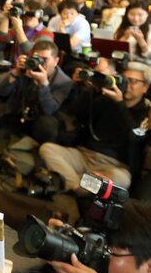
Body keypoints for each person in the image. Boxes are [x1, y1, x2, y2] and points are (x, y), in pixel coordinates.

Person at [39, 61, 151, 191]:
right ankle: (77, 187)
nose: (127, 85)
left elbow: (134, 137)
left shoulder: (146, 112)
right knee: (47, 149)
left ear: (146, 87)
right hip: (84, 155)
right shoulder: (106, 99)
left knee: (122, 180)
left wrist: (119, 104)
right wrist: (90, 89)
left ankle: (69, 182)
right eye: (124, 80)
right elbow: (76, 113)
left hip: (114, 166)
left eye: (132, 81)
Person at [0, 40, 72, 144]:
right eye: (36, 59)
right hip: (19, 114)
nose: (39, 63)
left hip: (42, 121)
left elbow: (49, 109)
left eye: (44, 59)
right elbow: (3, 92)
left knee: (45, 126)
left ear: (56, 61)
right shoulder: (26, 69)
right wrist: (16, 72)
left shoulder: (63, 81)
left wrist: (43, 83)